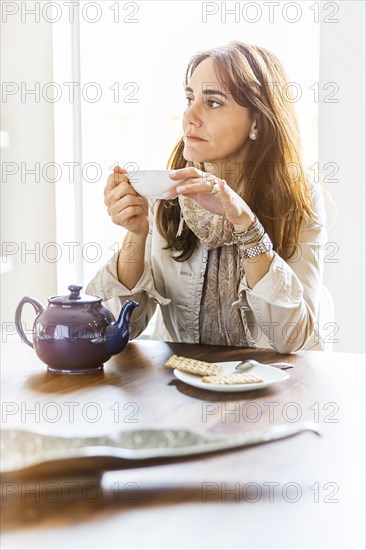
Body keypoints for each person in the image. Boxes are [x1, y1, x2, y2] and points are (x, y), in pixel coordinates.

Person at [86, 41, 327, 353]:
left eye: (212, 103)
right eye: (189, 98)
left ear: (257, 120)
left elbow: (293, 339)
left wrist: (245, 225)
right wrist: (136, 232)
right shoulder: (168, 192)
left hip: (272, 393)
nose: (190, 117)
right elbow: (115, 328)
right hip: (181, 388)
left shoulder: (297, 198)